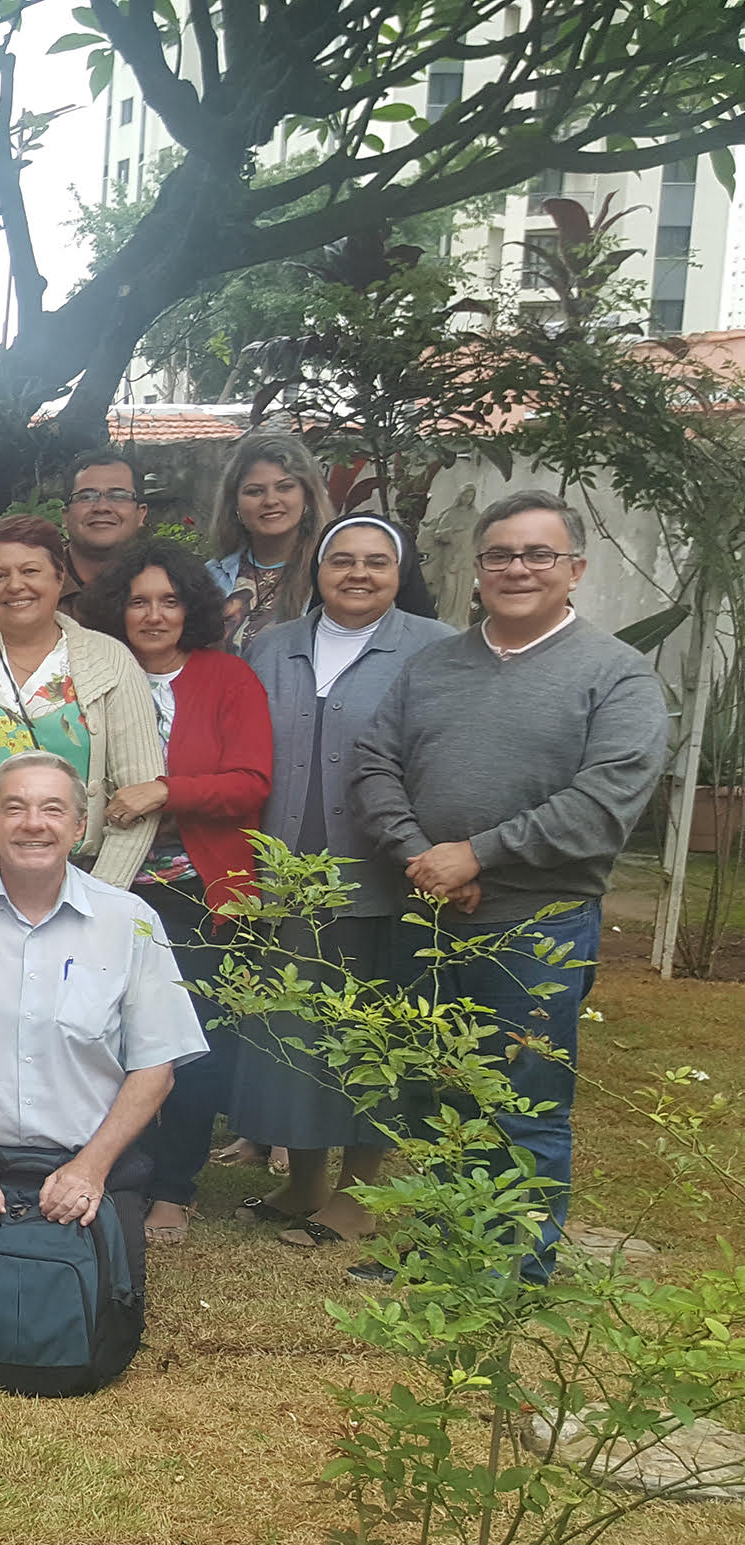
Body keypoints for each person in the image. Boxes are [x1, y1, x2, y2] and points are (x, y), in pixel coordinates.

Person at [353, 489, 667, 1274]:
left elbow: (603, 804)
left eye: (538, 554)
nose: (516, 569)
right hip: (425, 916)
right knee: (428, 1094)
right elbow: (372, 764)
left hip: (538, 927)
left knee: (518, 1102)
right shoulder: (432, 666)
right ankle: (435, 1249)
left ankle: (508, 1266)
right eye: (499, 555)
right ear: (477, 569)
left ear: (574, 570)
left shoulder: (616, 676)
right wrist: (422, 856)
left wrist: (478, 854)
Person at [232, 516, 456, 1242]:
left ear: (399, 573)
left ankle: (359, 1194)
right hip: (282, 877)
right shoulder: (270, 647)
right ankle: (303, 1184)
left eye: (376, 563)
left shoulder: (435, 648)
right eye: (342, 561)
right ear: (317, 569)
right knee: (292, 1032)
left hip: (384, 876)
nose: (357, 574)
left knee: (368, 1036)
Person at [0, 752, 208, 1241]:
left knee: (92, 1307)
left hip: (88, 1158)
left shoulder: (130, 920)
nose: (33, 824)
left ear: (80, 826)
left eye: (53, 809)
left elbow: (156, 1068)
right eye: (14, 808)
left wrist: (92, 1168)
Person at [76, 546, 274, 1244]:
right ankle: (105, 1168)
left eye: (167, 600)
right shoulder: (93, 674)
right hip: (103, 882)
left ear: (190, 607)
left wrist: (166, 791)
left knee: (189, 1045)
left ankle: (173, 1187)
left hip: (196, 887)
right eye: (137, 601)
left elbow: (251, 780)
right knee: (96, 1035)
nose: (153, 614)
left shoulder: (225, 678)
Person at [0, 517, 163, 889]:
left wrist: (102, 897)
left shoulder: (109, 660)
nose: (15, 585)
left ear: (59, 577)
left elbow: (139, 799)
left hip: (75, 887)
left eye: (30, 570)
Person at [207, 431, 338, 651]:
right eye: (255, 491)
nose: (270, 500)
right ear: (235, 505)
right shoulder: (211, 577)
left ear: (307, 496)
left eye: (284, 487)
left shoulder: (333, 575)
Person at [61, 448, 149, 601]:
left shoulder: (169, 585)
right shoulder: (32, 584)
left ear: (141, 514)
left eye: (118, 496)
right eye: (86, 496)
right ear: (65, 516)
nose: (102, 508)